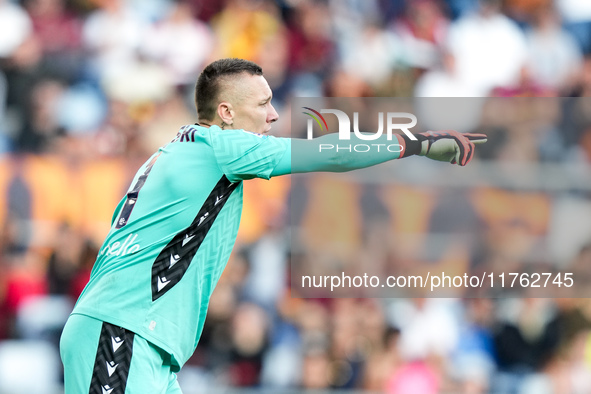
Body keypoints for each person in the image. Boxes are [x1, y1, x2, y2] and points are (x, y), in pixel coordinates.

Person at [59, 58, 486, 393]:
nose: (274, 115)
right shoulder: (220, 147)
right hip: (123, 330)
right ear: (226, 112)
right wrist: (415, 143)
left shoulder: (178, 153)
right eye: (263, 104)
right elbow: (330, 154)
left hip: (138, 337)